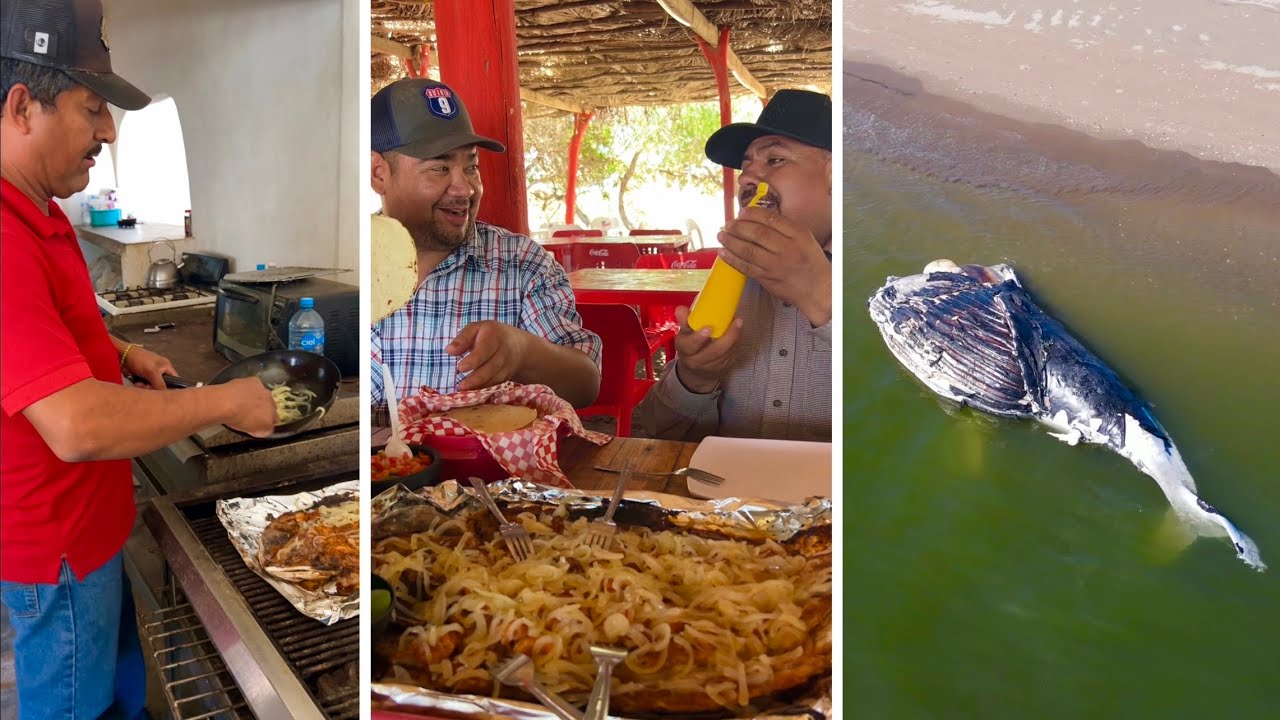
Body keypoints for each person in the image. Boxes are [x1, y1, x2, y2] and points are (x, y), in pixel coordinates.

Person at [0, 1, 277, 718]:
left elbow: (53, 335)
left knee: (119, 699)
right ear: (23, 107)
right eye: (91, 108)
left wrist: (124, 352)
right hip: (58, 552)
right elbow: (77, 426)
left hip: (90, 532)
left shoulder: (41, 210)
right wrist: (227, 400)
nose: (108, 132)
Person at [369, 78, 601, 423]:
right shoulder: (350, 264)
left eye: (471, 167)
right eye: (440, 168)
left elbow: (586, 384)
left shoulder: (522, 264)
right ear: (379, 174)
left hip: (483, 461)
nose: (465, 188)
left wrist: (524, 351)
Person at [637, 89, 833, 442]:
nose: (747, 178)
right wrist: (694, 379)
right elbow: (657, 433)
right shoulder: (731, 283)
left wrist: (824, 298)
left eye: (775, 160)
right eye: (746, 166)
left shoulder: (889, 279)